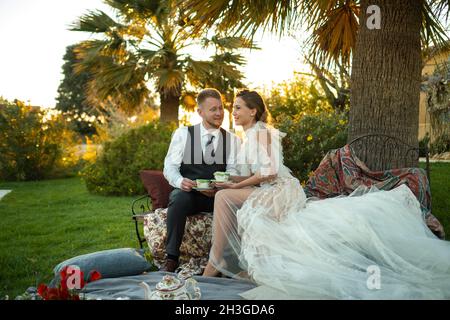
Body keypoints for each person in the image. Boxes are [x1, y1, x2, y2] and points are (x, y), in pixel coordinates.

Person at [202, 89, 450, 299]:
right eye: (233, 108)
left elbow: (269, 172)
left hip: (280, 190)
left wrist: (234, 188)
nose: (232, 112)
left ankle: (217, 261)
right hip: (267, 188)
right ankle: (222, 259)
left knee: (226, 198)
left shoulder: (264, 132)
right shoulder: (248, 138)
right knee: (223, 194)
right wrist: (226, 181)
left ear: (253, 111)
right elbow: (253, 175)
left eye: (238, 107)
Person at [161, 88, 240, 272]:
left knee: (233, 203)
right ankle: (171, 258)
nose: (219, 113)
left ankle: (228, 261)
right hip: (191, 195)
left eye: (220, 108)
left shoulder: (233, 140)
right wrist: (182, 182)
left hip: (219, 197)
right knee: (178, 197)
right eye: (213, 109)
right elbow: (169, 167)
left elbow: (233, 170)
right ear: (200, 112)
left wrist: (221, 186)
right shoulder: (182, 134)